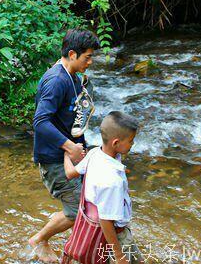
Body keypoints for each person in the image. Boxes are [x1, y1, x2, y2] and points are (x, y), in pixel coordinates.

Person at [29, 29, 100, 262]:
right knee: (75, 213)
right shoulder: (57, 81)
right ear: (72, 53)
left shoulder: (72, 76)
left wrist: (81, 148)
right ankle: (39, 239)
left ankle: (58, 221)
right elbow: (40, 122)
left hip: (68, 155)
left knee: (83, 202)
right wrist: (70, 147)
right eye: (87, 57)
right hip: (55, 158)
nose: (90, 62)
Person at [64, 111, 143, 264]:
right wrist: (119, 256)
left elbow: (70, 173)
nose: (133, 144)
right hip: (116, 236)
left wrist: (67, 155)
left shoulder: (94, 153)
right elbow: (106, 220)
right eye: (131, 141)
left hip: (94, 232)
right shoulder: (112, 181)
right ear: (115, 143)